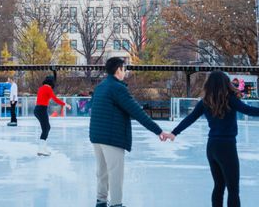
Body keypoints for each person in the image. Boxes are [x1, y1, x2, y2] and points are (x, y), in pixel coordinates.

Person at [169, 70, 259, 207]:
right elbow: (250, 110)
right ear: (225, 84)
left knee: (219, 186)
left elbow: (190, 118)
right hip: (227, 147)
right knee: (233, 189)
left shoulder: (205, 102)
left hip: (212, 148)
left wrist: (174, 133)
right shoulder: (230, 100)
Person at [89, 57, 169, 207]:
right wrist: (158, 130)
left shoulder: (100, 87)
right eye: (124, 69)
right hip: (111, 137)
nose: (125, 72)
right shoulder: (117, 88)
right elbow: (136, 112)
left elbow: (94, 108)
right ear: (118, 69)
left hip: (97, 136)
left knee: (102, 172)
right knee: (115, 173)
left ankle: (101, 201)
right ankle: (116, 204)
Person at [34, 75, 71, 156]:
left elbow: (38, 99)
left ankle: (43, 148)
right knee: (46, 128)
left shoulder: (41, 88)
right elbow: (55, 99)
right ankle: (41, 149)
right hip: (42, 109)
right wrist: (65, 104)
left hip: (37, 109)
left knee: (46, 128)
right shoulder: (48, 88)